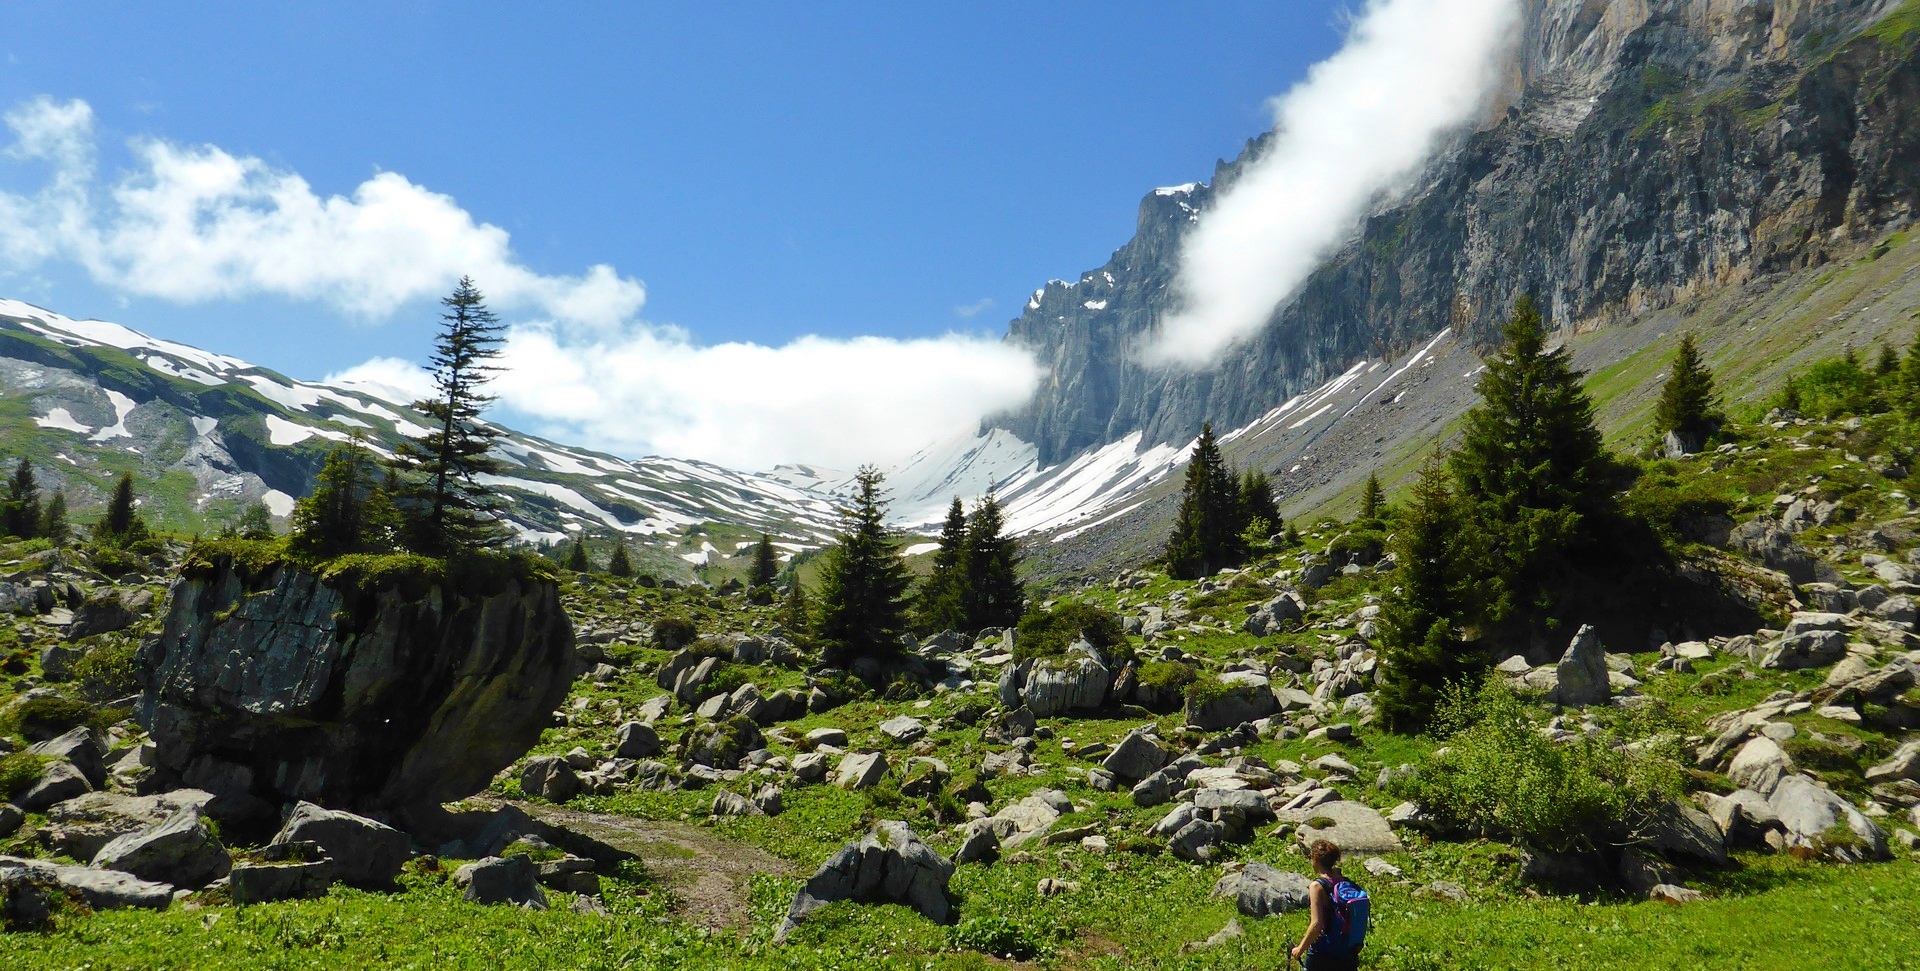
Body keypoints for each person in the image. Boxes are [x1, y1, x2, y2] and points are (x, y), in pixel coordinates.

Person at [1290, 839, 1360, 970]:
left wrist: (1300, 949)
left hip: (1323, 951)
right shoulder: (1345, 882)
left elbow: (1317, 924)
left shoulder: (1317, 886)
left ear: (1315, 859)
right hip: (1347, 949)